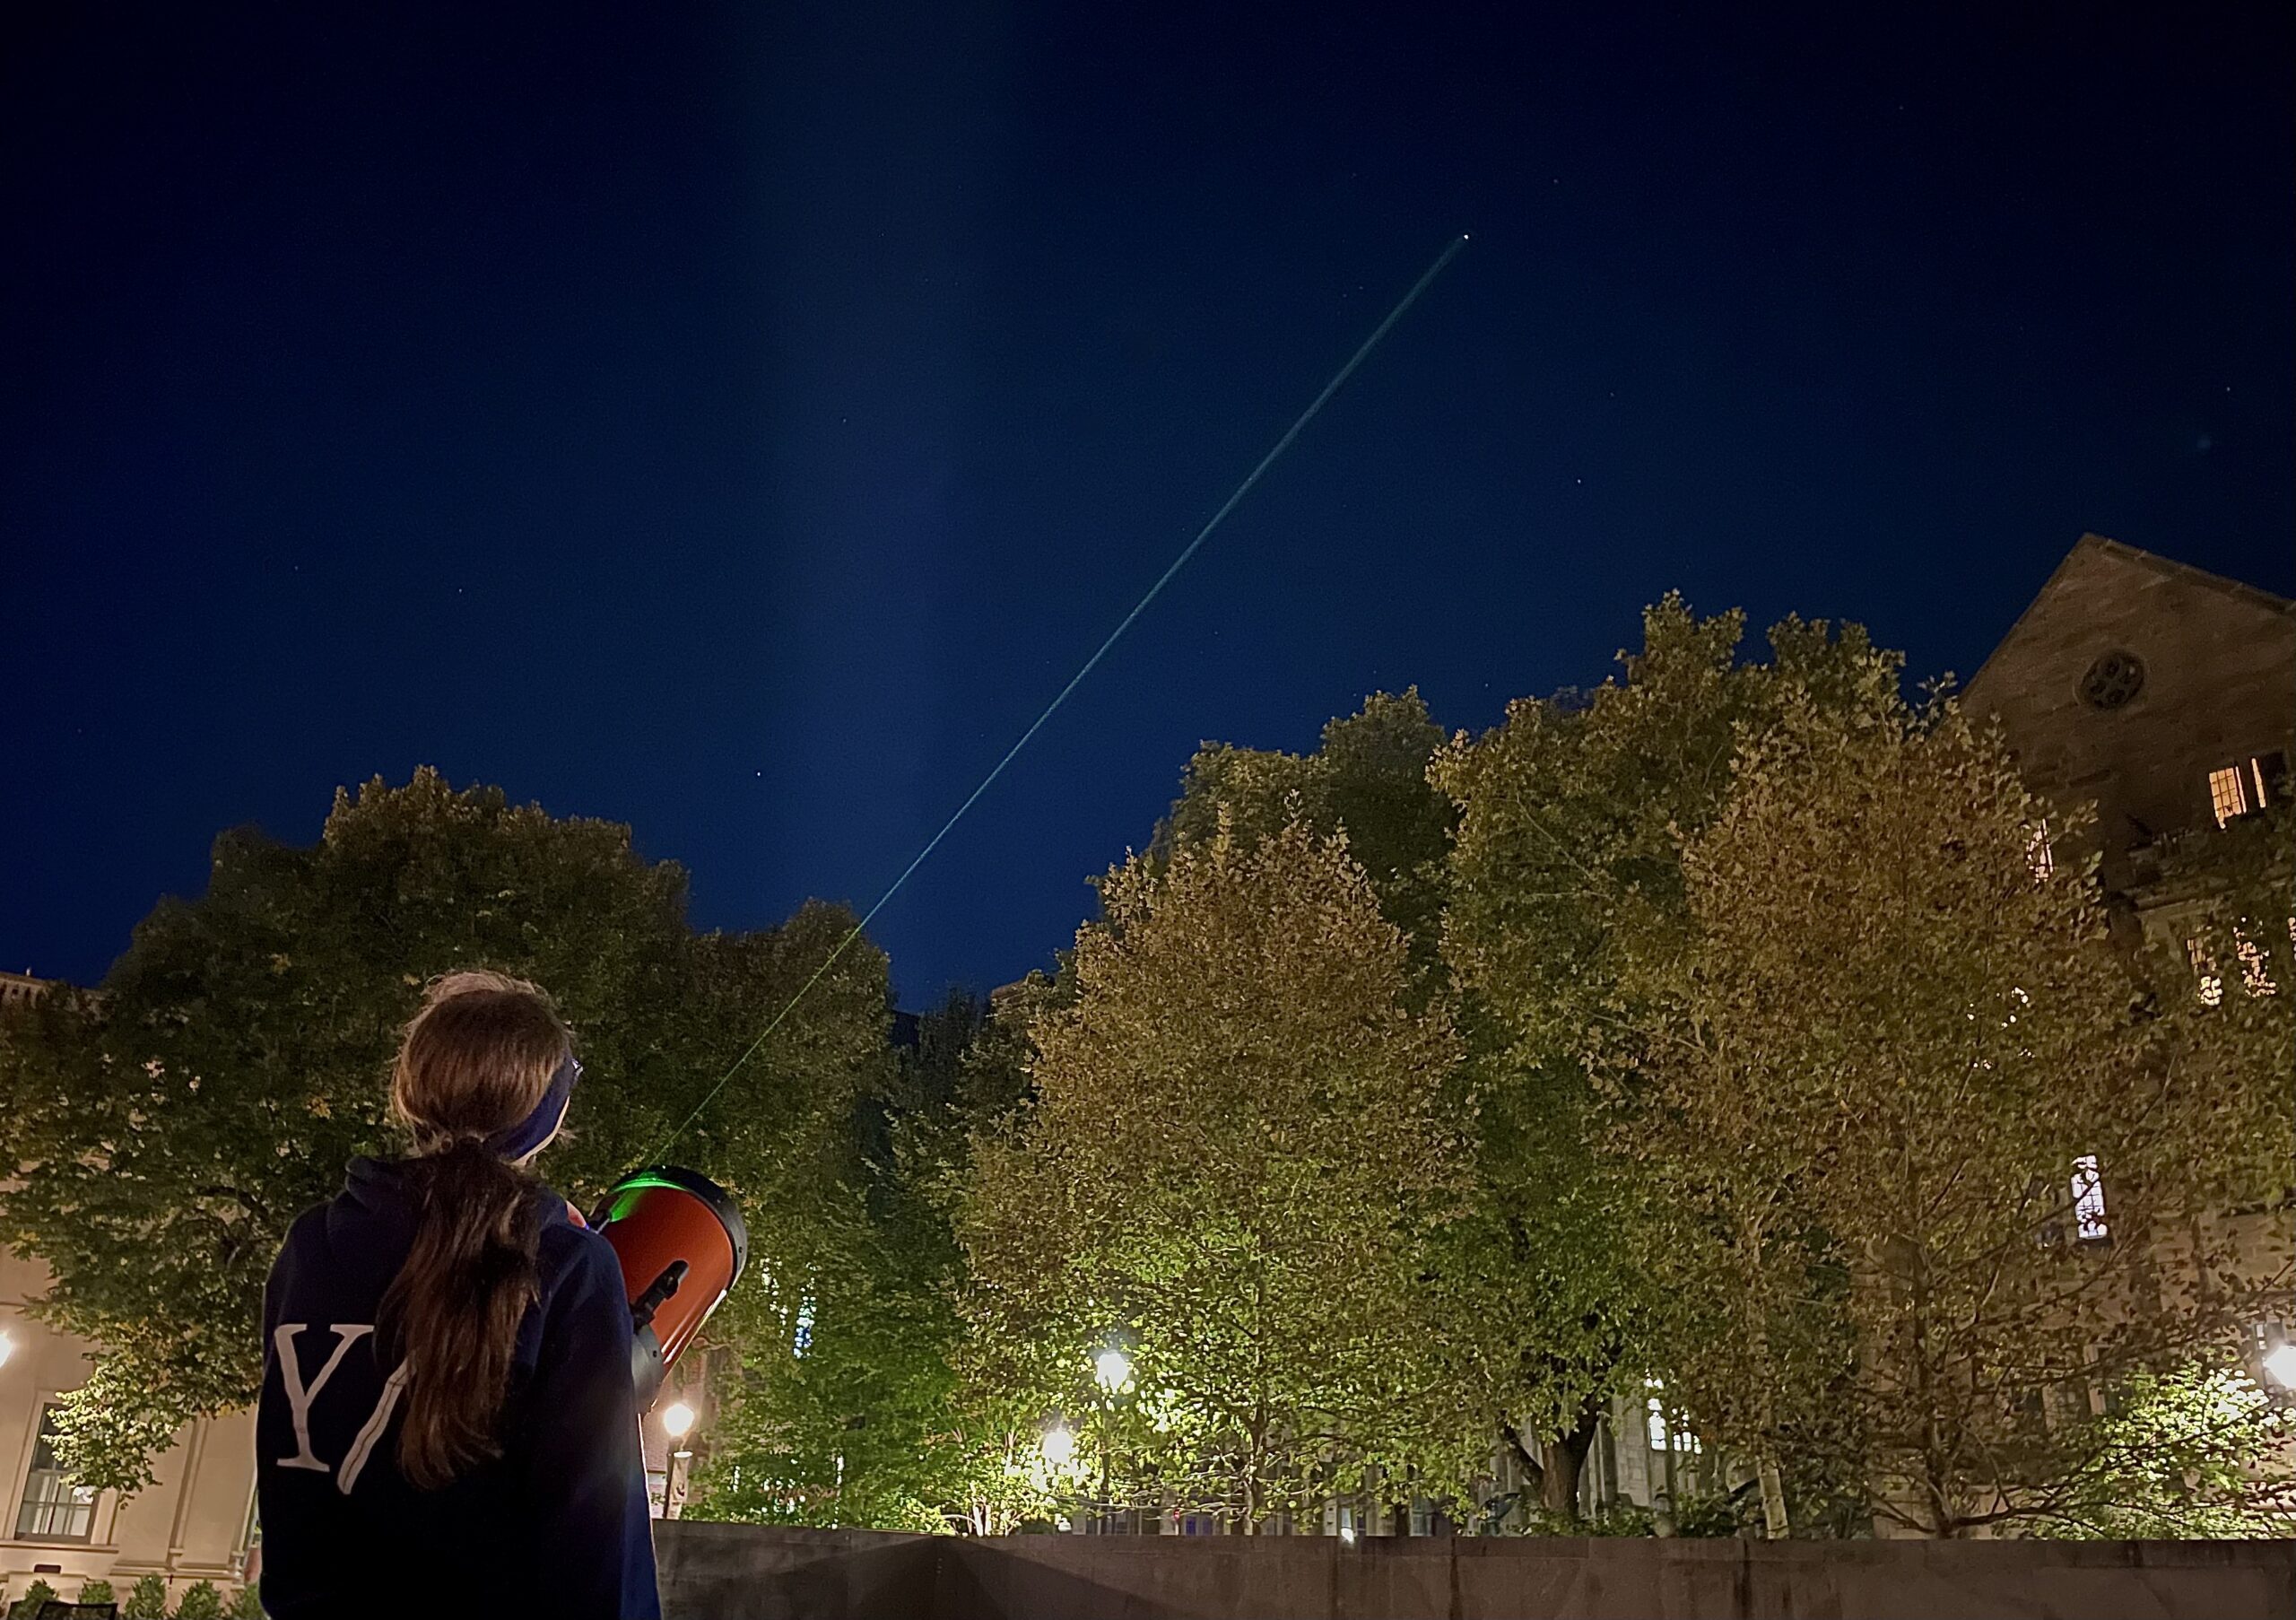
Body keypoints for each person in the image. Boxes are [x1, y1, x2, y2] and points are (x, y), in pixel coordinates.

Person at [256, 971, 658, 1618]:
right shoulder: (566, 1266)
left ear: (414, 1091)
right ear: (546, 1117)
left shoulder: (309, 1248)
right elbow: (597, 1536)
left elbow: (288, 1488)